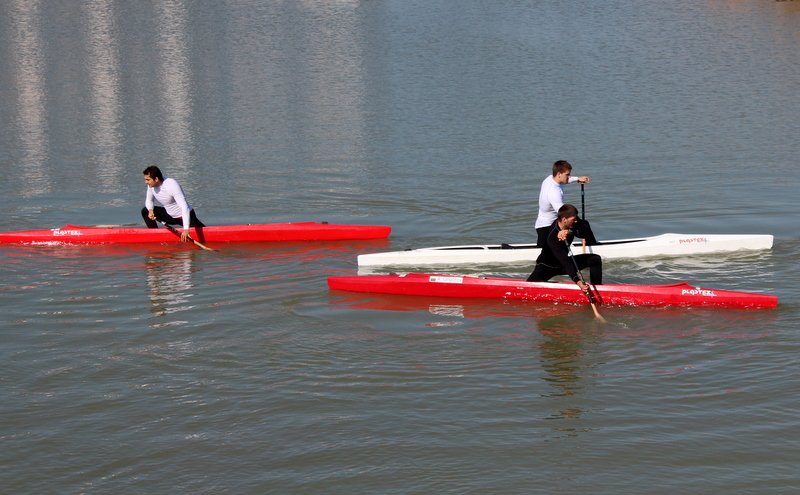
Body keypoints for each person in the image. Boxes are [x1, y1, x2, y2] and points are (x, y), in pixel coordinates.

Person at [527, 204, 602, 292]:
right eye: (573, 220)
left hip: (562, 265)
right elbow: (566, 262)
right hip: (547, 266)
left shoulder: (573, 223)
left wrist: (569, 231)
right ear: (564, 220)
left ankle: (599, 289)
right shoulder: (552, 237)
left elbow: (585, 229)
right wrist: (579, 283)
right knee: (528, 286)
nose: (576, 222)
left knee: (595, 259)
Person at [535, 160, 593, 247]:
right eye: (567, 174)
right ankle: (593, 245)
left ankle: (591, 243)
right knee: (581, 224)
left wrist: (577, 179)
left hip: (542, 225)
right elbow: (563, 214)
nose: (569, 177)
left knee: (583, 223)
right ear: (559, 174)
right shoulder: (554, 192)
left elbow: (566, 180)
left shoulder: (550, 178)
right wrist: (575, 223)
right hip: (548, 228)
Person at [141, 165, 205, 242]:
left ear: (156, 179)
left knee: (204, 231)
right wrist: (150, 210)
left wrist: (186, 229)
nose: (146, 182)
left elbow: (185, 207)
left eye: (148, 180)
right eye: (145, 180)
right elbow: (149, 201)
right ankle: (155, 236)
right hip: (170, 216)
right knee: (145, 211)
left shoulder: (171, 185)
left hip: (185, 216)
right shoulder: (151, 186)